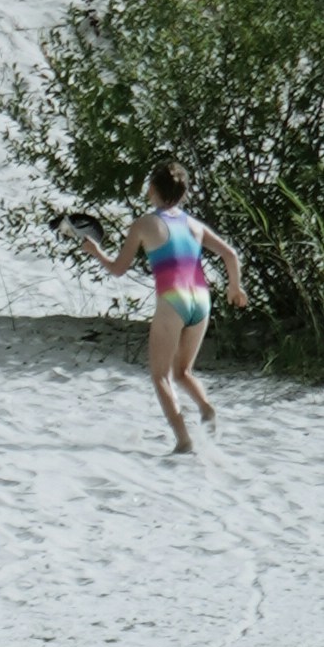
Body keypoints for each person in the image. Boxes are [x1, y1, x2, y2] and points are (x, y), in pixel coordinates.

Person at [87, 159, 248, 454]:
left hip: (173, 301)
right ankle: (206, 407)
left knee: (160, 375)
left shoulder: (145, 224)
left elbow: (118, 268)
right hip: (201, 299)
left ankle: (183, 439)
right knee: (183, 371)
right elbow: (230, 254)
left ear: (152, 189)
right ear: (183, 193)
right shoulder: (193, 224)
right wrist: (234, 287)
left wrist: (96, 251)